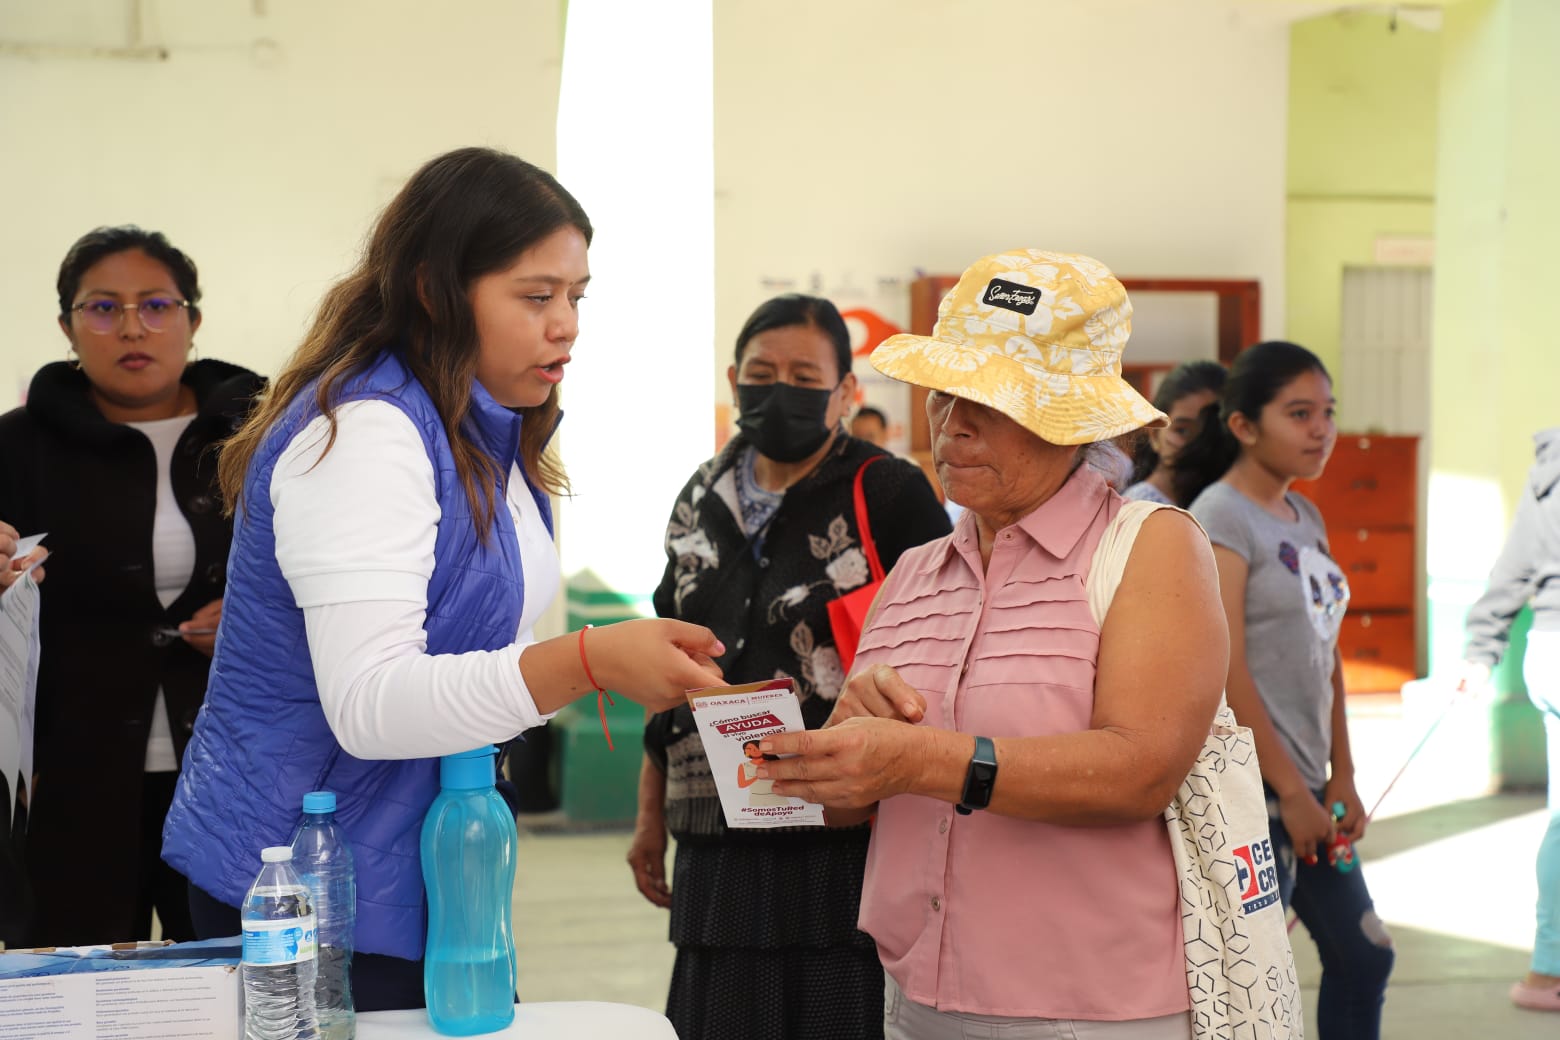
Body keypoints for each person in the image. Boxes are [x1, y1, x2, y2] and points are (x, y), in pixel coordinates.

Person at [160, 147, 725, 1011]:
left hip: (412, 870)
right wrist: (592, 661)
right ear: (432, 288)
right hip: (300, 892)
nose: (566, 324)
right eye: (535, 296)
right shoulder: (366, 433)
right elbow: (371, 701)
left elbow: (476, 648)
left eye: (577, 297)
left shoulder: (483, 429)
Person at [761, 251, 1229, 1039]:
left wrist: (920, 760)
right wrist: (841, 751)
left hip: (1090, 1009)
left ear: (1073, 417)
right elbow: (854, 810)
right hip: (918, 997)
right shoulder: (915, 574)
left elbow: (1140, 771)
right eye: (948, 393)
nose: (956, 423)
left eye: (997, 400)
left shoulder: (1150, 547)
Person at [630, 293, 951, 1040]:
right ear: (734, 377)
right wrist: (650, 818)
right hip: (711, 836)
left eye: (805, 374)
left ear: (846, 391)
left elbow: (944, 648)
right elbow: (663, 663)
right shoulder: (697, 498)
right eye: (761, 371)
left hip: (839, 835)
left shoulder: (889, 493)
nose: (779, 389)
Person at [0, 227, 263, 948]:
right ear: (66, 327)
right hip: (71, 773)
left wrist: (252, 622)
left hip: (234, 768)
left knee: (237, 975)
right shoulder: (15, 447)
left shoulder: (263, 435)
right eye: (102, 308)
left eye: (155, 304)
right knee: (70, 982)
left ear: (193, 318)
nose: (132, 328)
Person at [1175, 341, 1394, 1037]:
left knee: (1364, 956)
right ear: (1242, 424)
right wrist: (1291, 796)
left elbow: (1325, 652)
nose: (1321, 429)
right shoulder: (1221, 516)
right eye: (1299, 414)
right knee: (1252, 992)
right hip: (1254, 801)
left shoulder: (1307, 517)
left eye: (1327, 413)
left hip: (1309, 793)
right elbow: (1225, 666)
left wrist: (1343, 776)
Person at [1459, 427, 1560, 1012]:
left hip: (1546, 649)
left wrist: (1481, 648)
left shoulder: (1548, 470)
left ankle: (1548, 967)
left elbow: (1513, 568)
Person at [1122, 359, 1226, 505]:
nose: (1197, 445)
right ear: (1155, 435)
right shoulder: (1143, 507)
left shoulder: (1219, 499)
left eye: (1211, 432)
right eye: (1182, 431)